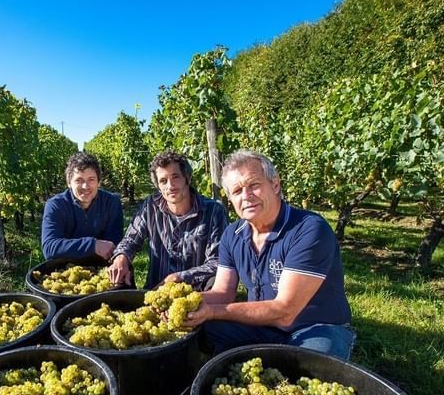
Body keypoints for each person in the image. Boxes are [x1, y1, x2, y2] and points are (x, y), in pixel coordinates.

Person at [183, 150, 355, 359]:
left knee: (310, 367)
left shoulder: (308, 229)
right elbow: (223, 293)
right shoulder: (232, 234)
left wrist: (213, 311)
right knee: (201, 330)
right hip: (263, 322)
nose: (246, 196)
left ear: (275, 185)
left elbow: (285, 312)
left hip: (316, 326)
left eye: (254, 185)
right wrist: (184, 302)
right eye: (237, 191)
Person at [108, 150, 228, 290]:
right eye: (163, 181)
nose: (170, 186)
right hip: (155, 291)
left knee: (216, 280)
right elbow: (130, 240)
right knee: (120, 268)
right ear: (158, 186)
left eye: (175, 177)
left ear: (187, 178)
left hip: (197, 293)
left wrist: (179, 278)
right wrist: (121, 257)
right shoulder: (150, 206)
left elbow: (217, 261)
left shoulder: (213, 211)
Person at [41, 152, 123, 260]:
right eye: (79, 180)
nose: (85, 186)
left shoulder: (111, 202)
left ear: (99, 182)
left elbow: (113, 245)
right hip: (65, 270)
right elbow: (50, 248)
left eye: (91, 179)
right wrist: (92, 245)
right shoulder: (56, 205)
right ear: (69, 182)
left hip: (101, 268)